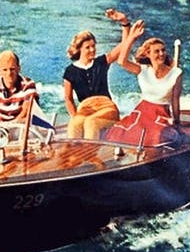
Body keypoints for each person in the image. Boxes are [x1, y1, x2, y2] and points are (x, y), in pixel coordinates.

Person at [63, 8, 141, 139]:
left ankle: (90, 157)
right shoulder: (70, 71)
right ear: (79, 49)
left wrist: (124, 23)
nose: (92, 50)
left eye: (93, 46)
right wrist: (76, 116)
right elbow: (68, 99)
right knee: (74, 123)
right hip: (85, 109)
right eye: (88, 47)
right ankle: (73, 157)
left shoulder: (101, 62)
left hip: (107, 108)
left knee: (91, 123)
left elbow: (123, 45)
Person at [104, 22, 183, 147]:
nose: (161, 54)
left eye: (163, 50)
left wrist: (177, 122)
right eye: (157, 51)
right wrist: (132, 37)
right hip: (142, 112)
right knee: (120, 133)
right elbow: (121, 61)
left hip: (161, 114)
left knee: (157, 137)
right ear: (148, 54)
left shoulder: (176, 73)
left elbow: (175, 101)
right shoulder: (143, 70)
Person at [0, 50, 38, 134]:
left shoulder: (28, 85)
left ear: (19, 68)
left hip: (22, 126)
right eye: (5, 70)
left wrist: (10, 126)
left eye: (12, 69)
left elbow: (25, 113)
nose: (9, 73)